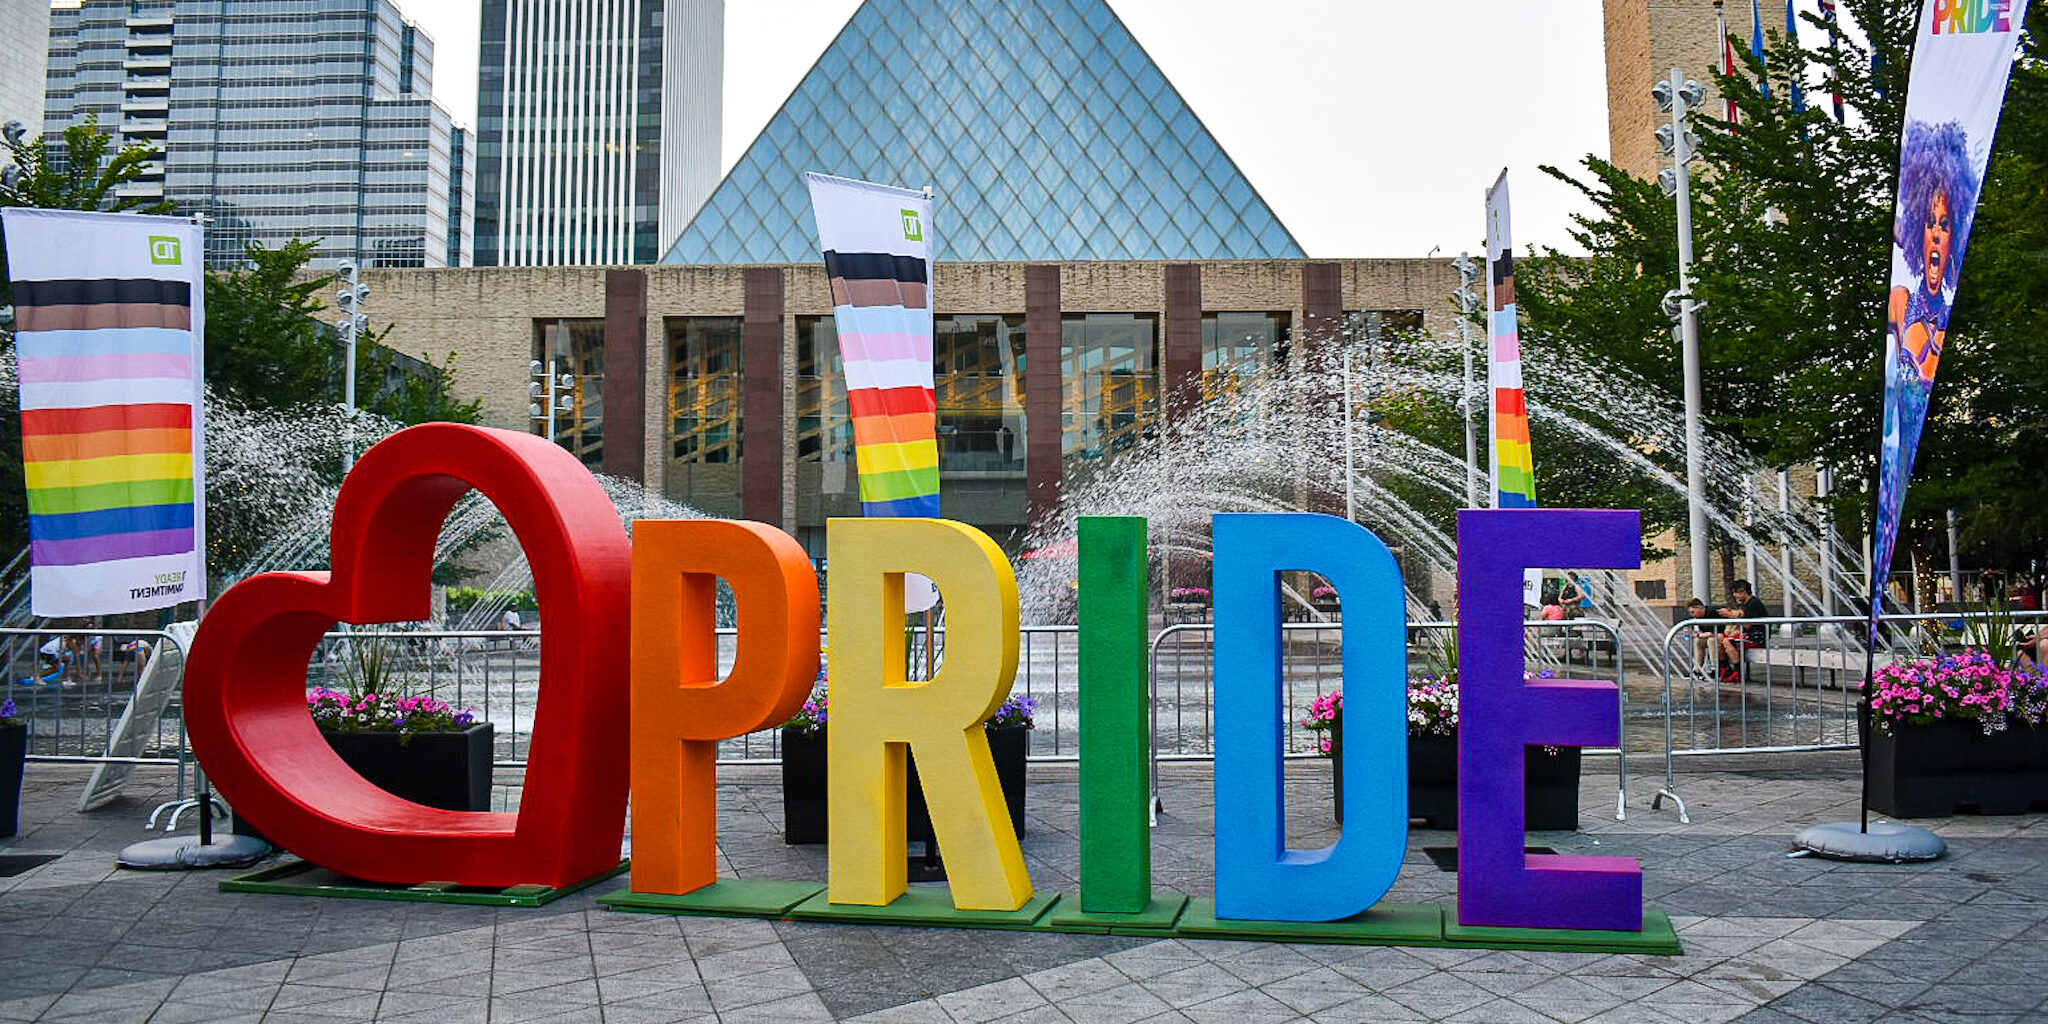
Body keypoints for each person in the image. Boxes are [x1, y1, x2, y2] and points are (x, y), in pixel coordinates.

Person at [1715, 580, 1770, 683]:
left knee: (1727, 641)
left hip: (1757, 637)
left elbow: (1747, 623)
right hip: (1748, 636)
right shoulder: (1745, 604)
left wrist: (1730, 615)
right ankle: (1725, 668)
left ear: (1743, 592)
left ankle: (1738, 672)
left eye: (1736, 593)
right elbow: (1741, 615)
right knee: (1720, 638)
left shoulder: (1754, 603)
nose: (1735, 595)